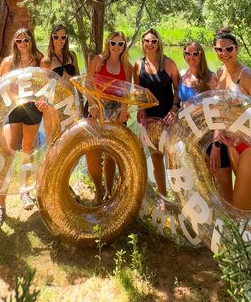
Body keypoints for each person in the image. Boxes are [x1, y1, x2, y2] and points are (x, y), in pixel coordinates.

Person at [211, 27, 251, 210]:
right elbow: (220, 113)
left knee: (240, 213)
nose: (224, 53)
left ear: (237, 49)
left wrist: (244, 137)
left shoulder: (247, 76)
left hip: (250, 149)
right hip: (232, 147)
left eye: (229, 49)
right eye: (219, 49)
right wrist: (217, 141)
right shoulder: (220, 73)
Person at [0, 28, 44, 226]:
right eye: (19, 40)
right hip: (13, 109)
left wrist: (42, 100)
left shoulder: (39, 59)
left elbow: (45, 85)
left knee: (28, 149)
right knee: (8, 151)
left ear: (31, 41)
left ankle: (24, 192)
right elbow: (0, 87)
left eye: (26, 39)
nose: (22, 43)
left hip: (32, 108)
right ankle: (0, 206)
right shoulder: (8, 63)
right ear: (15, 42)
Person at [86, 31, 133, 204]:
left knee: (111, 153)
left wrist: (124, 110)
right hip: (95, 108)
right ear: (108, 43)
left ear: (124, 46)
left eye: (120, 44)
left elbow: (126, 93)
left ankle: (110, 191)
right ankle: (98, 190)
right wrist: (91, 105)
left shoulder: (127, 66)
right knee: (92, 151)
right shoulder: (98, 61)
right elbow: (87, 85)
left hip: (116, 111)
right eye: (114, 43)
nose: (117, 47)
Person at [133, 28, 180, 197]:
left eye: (154, 41)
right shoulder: (138, 65)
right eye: (147, 41)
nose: (150, 44)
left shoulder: (169, 64)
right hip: (151, 119)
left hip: (169, 117)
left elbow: (178, 89)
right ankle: (163, 197)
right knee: (156, 157)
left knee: (173, 158)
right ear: (143, 43)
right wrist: (141, 109)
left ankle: (179, 198)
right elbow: (138, 92)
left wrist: (175, 108)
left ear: (158, 43)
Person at [40, 24, 80, 137]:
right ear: (51, 38)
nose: (59, 40)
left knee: (71, 137)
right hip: (54, 102)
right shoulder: (46, 61)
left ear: (66, 39)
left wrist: (80, 99)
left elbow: (78, 79)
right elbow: (43, 86)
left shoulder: (72, 56)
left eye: (63, 37)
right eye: (56, 37)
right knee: (54, 138)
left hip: (71, 100)